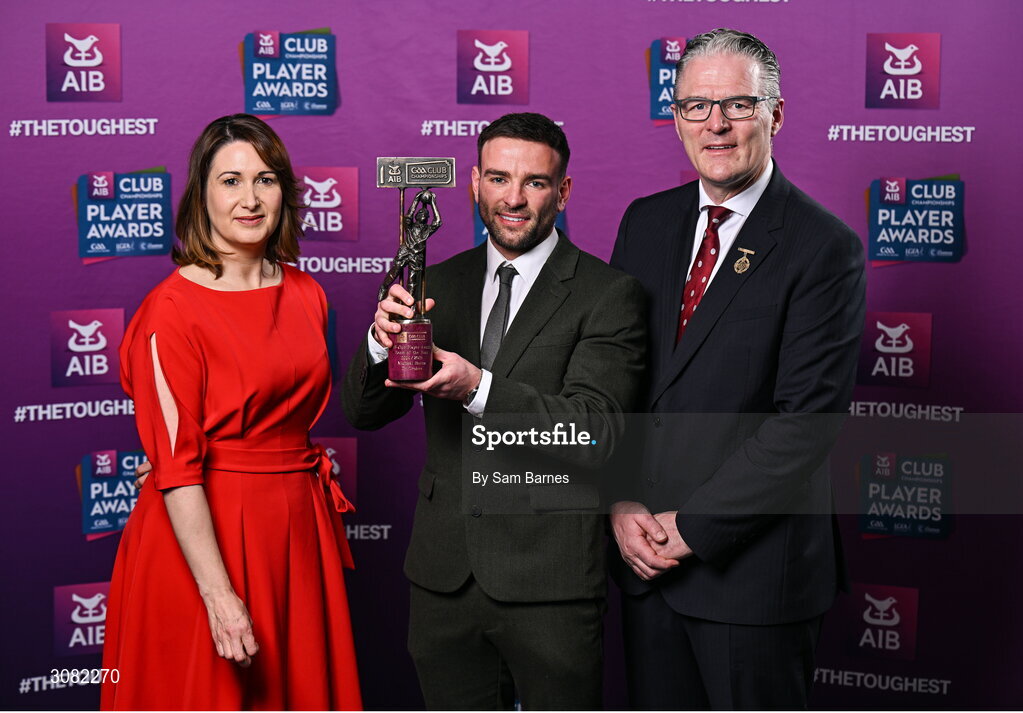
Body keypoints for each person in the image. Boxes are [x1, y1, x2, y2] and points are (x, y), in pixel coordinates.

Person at [342, 112, 646, 710]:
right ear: (474, 183)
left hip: (549, 581)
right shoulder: (437, 281)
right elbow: (361, 411)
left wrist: (476, 388)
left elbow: (596, 432)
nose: (514, 197)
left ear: (563, 191)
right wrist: (380, 342)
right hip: (443, 579)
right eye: (499, 178)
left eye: (534, 182)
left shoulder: (608, 294)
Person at [609, 29, 866, 709]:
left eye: (736, 105)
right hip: (643, 564)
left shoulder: (823, 247)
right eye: (695, 106)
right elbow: (615, 382)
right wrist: (620, 501)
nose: (714, 124)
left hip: (753, 581)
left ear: (774, 115)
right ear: (675, 118)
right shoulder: (645, 224)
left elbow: (804, 425)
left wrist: (689, 529)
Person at [101, 114, 362, 711]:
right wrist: (220, 597)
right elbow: (177, 467)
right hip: (204, 540)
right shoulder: (170, 310)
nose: (249, 199)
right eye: (230, 181)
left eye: (265, 180)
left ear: (285, 193)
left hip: (297, 529)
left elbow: (283, 417)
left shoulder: (307, 293)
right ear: (201, 195)